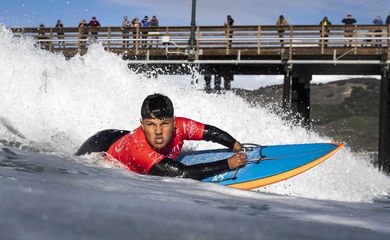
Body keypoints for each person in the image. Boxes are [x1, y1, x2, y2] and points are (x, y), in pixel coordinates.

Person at [75, 93, 247, 179]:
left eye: (164, 124)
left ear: (173, 122)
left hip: (123, 139)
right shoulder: (140, 151)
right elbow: (182, 173)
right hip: (101, 145)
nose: (158, 131)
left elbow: (210, 133)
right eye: (151, 124)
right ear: (142, 125)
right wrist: (228, 164)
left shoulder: (181, 126)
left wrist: (235, 144)